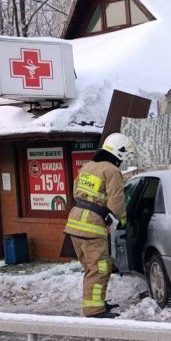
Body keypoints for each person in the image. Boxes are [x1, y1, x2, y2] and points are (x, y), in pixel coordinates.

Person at [64, 133, 132, 319]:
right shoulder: (111, 171)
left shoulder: (88, 166)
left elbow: (75, 191)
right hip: (92, 227)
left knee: (90, 268)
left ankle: (98, 302)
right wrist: (124, 219)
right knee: (100, 268)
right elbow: (116, 203)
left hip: (75, 223)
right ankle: (94, 310)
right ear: (120, 152)